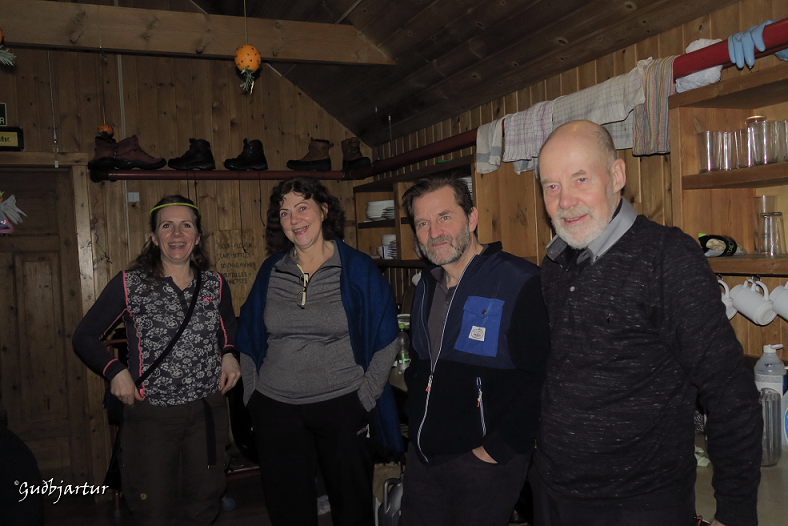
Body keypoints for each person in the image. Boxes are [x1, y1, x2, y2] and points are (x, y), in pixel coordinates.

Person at [533, 120, 762, 526]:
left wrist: (735, 513)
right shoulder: (556, 262)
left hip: (639, 505)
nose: (565, 200)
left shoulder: (667, 258)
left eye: (580, 179)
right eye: (552, 186)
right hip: (554, 492)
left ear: (617, 175)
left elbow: (730, 391)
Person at [236, 176, 401, 526]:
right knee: (288, 512)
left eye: (302, 208)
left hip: (342, 405)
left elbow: (387, 337)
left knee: (352, 510)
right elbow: (248, 335)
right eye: (284, 213)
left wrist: (364, 398)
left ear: (324, 210)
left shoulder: (356, 267)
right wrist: (253, 395)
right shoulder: (271, 270)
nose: (294, 219)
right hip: (276, 409)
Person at [72, 195, 240, 526]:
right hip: (152, 415)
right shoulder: (129, 283)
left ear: (197, 236)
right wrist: (115, 370)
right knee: (154, 507)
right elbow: (84, 336)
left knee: (204, 501)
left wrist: (229, 354)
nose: (177, 234)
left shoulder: (215, 283)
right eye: (167, 226)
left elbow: (228, 326)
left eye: (186, 225)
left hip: (207, 412)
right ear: (153, 236)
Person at [398, 174, 551, 526]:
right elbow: (421, 366)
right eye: (422, 223)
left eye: (444, 217)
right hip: (424, 456)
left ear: (472, 218)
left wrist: (497, 449)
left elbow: (543, 378)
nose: (434, 232)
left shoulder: (519, 281)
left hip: (484, 463)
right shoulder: (426, 286)